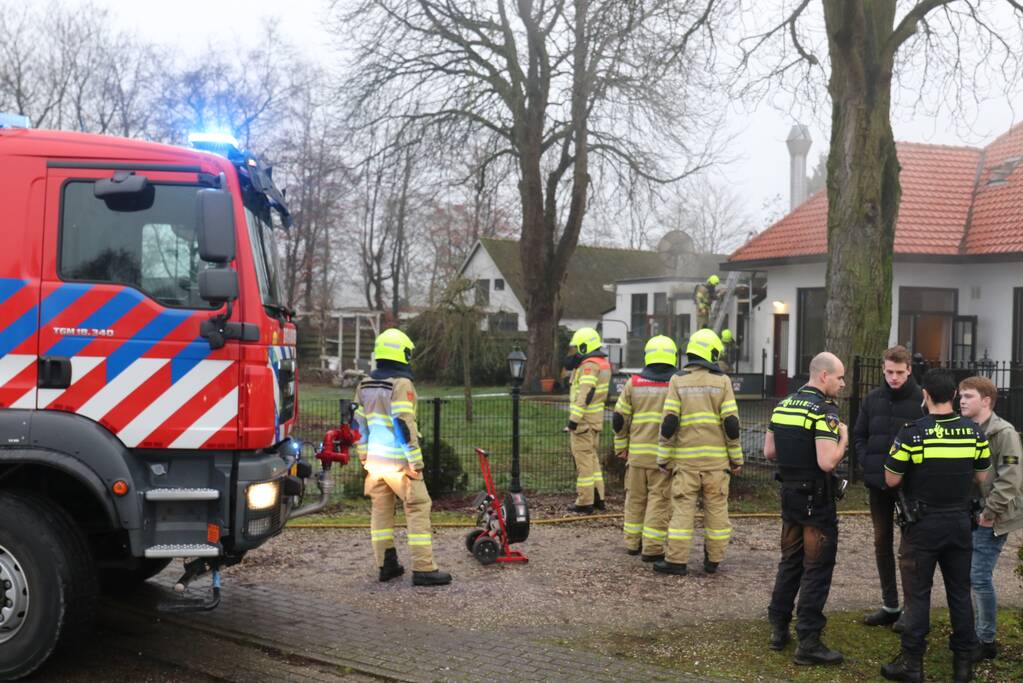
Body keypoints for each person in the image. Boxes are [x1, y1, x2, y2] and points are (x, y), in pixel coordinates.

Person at [880, 370, 990, 683]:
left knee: (917, 595)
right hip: (959, 523)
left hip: (922, 526)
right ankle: (963, 665)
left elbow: (891, 479)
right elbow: (982, 476)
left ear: (925, 395)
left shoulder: (912, 433)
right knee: (960, 593)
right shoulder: (974, 432)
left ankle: (912, 664)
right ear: (954, 395)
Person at [765, 352, 847, 666]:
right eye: (839, 377)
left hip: (789, 496)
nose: (842, 383)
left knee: (790, 561)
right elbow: (827, 461)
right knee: (817, 568)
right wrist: (843, 439)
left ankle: (778, 628)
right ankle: (809, 642)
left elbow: (769, 452)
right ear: (824, 376)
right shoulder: (824, 411)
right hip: (816, 501)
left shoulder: (783, 405)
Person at [354, 328, 452, 587]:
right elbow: (402, 424)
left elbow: (357, 425)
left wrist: (363, 456)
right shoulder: (401, 384)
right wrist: (415, 461)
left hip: (375, 463)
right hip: (399, 464)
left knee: (381, 512)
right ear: (402, 353)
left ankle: (386, 565)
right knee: (418, 507)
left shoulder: (364, 384)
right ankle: (424, 568)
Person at [654, 328, 743, 576]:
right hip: (717, 465)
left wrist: (663, 458)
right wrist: (736, 458)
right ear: (712, 353)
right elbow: (731, 424)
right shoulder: (722, 381)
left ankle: (676, 561)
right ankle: (713, 560)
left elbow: (669, 423)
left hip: (686, 464)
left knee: (682, 511)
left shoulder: (678, 380)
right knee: (717, 511)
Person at [853, 346, 922, 630]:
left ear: (909, 370)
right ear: (883, 369)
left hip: (910, 486)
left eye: (899, 372)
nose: (894, 377)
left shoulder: (921, 400)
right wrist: (867, 462)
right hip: (877, 483)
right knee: (881, 542)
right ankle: (890, 605)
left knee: (910, 549)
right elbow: (859, 435)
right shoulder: (872, 399)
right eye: (890, 372)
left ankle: (912, 609)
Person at [958, 376, 1023, 661]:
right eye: (960, 395)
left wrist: (990, 512)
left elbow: (1010, 479)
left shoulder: (1004, 433)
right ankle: (972, 632)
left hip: (990, 516)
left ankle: (986, 640)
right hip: (967, 513)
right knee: (967, 576)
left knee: (979, 577)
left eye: (968, 396)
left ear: (986, 401)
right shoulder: (964, 429)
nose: (961, 401)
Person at [613, 335, 677, 561]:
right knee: (659, 502)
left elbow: (619, 418)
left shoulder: (634, 383)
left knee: (635, 500)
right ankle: (652, 548)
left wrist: (621, 446)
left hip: (637, 456)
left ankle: (632, 543)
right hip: (664, 458)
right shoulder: (676, 384)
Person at [565, 327, 611, 514]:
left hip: (583, 423)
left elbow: (584, 394)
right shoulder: (602, 363)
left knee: (583, 462)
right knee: (592, 460)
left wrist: (573, 421)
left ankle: (584, 502)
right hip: (594, 421)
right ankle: (599, 497)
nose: (573, 353)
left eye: (576, 348)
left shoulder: (589, 366)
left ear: (584, 347)